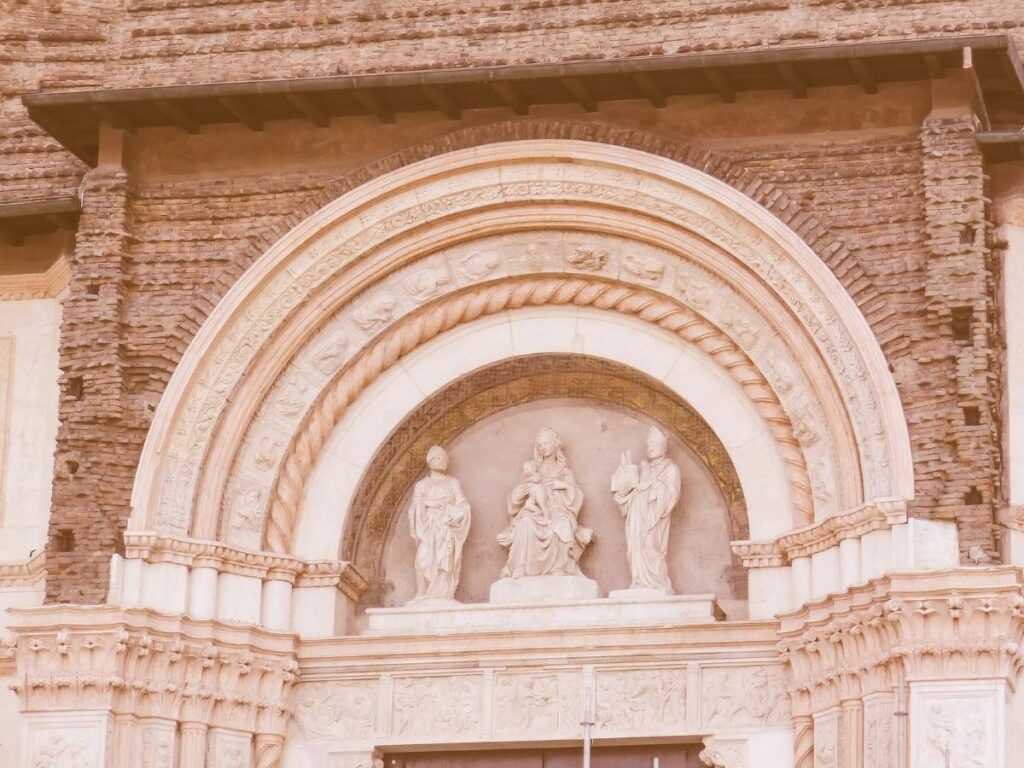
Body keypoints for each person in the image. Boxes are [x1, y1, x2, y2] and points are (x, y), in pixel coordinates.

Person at [499, 428, 592, 578]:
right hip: (536, 512)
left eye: (546, 443)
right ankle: (521, 567)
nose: (543, 447)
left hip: (558, 511)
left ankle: (559, 567)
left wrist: (563, 485)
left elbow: (577, 495)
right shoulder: (532, 469)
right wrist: (524, 490)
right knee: (525, 521)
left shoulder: (564, 471)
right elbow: (517, 497)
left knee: (563, 523)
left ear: (555, 445)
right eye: (540, 444)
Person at [612, 426, 680, 593]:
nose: (650, 448)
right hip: (636, 517)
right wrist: (624, 482)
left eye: (654, 445)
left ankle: (656, 583)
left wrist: (650, 484)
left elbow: (672, 495)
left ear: (664, 448)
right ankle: (639, 581)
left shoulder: (671, 469)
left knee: (650, 546)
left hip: (654, 519)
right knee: (635, 549)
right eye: (648, 445)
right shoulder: (642, 469)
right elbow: (626, 498)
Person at [407, 445, 471, 603]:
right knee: (422, 558)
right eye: (438, 458)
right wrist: (427, 503)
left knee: (445, 559)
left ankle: (443, 595)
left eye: (444, 459)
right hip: (428, 527)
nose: (442, 461)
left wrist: (455, 513)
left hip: (446, 527)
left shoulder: (453, 483)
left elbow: (462, 503)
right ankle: (422, 592)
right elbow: (414, 507)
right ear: (429, 462)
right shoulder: (422, 485)